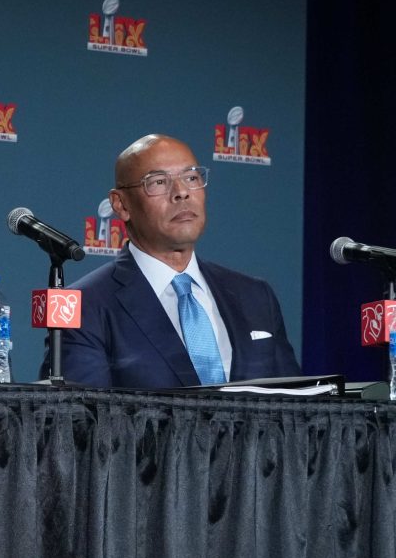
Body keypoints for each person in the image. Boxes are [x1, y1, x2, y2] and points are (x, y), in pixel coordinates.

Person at [46, 133, 300, 388]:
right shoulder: (84, 306)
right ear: (121, 204)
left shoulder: (255, 296)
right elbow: (80, 419)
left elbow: (295, 409)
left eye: (191, 178)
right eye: (158, 182)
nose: (181, 193)